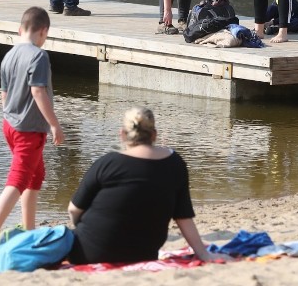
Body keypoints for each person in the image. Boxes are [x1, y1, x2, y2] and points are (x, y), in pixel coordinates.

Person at [66, 107, 223, 265]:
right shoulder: (175, 164)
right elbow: (183, 217)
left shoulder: (107, 163)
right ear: (154, 135)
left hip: (90, 253)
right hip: (144, 253)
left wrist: (83, 228)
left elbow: (74, 209)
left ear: (122, 134)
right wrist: (203, 254)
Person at [0, 7, 65, 248]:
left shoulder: (9, 55)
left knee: (35, 175)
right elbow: (38, 91)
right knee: (18, 179)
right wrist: (54, 124)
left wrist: (10, 119)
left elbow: (4, 96)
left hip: (10, 124)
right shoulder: (38, 56)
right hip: (29, 129)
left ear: (20, 29)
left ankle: (29, 229)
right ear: (43, 31)